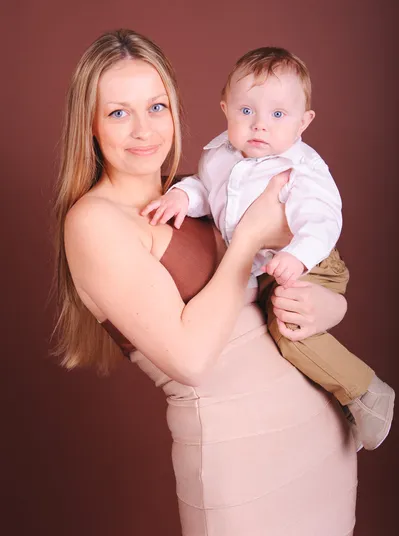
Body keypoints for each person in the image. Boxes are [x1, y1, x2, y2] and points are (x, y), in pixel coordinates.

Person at [54, 29, 358, 535]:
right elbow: (191, 360)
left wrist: (328, 309)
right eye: (118, 112)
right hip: (236, 457)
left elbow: (277, 302)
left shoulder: (197, 194)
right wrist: (250, 239)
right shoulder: (94, 223)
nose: (144, 130)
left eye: (156, 107)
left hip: (316, 438)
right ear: (89, 123)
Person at [143, 46, 394, 451]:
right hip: (264, 267)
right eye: (246, 111)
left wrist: (298, 256)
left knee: (288, 329)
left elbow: (323, 219)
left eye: (278, 115)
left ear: (303, 122)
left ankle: (366, 392)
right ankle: (335, 401)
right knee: (267, 333)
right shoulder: (219, 155)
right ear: (225, 108)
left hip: (311, 262)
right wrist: (183, 197)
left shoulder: (300, 169)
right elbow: (209, 193)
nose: (259, 125)